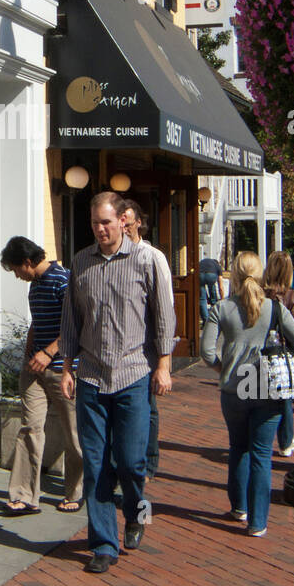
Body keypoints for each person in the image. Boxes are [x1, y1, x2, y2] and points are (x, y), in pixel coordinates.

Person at [59, 192, 175, 574]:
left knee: (130, 460)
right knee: (95, 464)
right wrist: (66, 368)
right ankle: (103, 545)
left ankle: (137, 512)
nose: (100, 229)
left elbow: (162, 317)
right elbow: (71, 321)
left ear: (122, 221)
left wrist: (164, 365)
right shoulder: (81, 262)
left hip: (133, 373)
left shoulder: (146, 260)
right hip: (91, 375)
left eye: (106, 222)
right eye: (95, 223)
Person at [201, 252, 294, 537]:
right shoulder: (274, 308)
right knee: (261, 455)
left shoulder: (221, 308)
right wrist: (291, 365)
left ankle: (239, 507)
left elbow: (206, 351)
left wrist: (223, 368)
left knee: (238, 447)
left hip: (233, 388)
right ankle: (258, 522)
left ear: (233, 276)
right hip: (267, 388)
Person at [0, 236, 83, 515]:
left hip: (64, 370)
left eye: (15, 269)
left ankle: (76, 491)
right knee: (29, 428)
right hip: (34, 369)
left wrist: (48, 353)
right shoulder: (35, 285)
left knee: (74, 433)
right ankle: (24, 495)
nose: (16, 276)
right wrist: (27, 355)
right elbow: (37, 320)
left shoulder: (64, 279)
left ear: (27, 262)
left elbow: (76, 323)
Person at [122, 200, 175, 481]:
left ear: (138, 223)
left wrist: (163, 359)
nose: (124, 230)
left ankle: (147, 462)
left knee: (147, 406)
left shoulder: (152, 257)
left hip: (147, 348)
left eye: (128, 224)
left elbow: (165, 305)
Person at [262, 250, 294, 457]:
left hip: (261, 351)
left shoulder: (259, 293)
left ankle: (261, 438)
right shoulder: (291, 295)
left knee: (259, 396)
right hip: (283, 352)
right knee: (284, 399)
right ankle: (286, 441)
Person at [199, 255, 222, 325]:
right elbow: (221, 286)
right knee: (212, 289)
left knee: (202, 299)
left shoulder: (203, 262)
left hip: (200, 274)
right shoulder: (217, 266)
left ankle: (206, 321)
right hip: (211, 276)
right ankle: (215, 315)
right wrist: (222, 299)